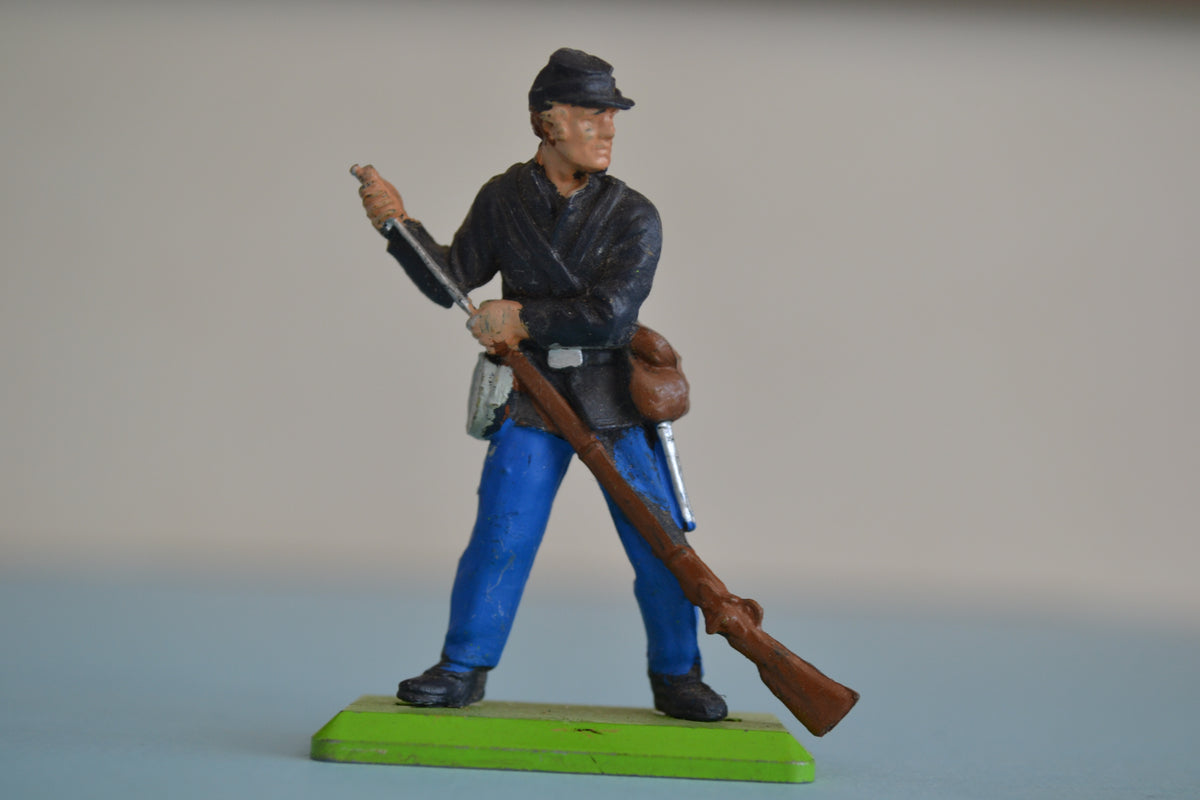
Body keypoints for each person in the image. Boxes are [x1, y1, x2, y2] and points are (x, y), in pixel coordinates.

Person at [357, 48, 726, 722]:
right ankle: (463, 666)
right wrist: (397, 224)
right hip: (533, 400)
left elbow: (612, 315)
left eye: (610, 116)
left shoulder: (633, 214)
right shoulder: (503, 199)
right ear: (547, 121)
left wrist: (522, 318)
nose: (607, 129)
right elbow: (451, 278)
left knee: (661, 546)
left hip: (612, 402)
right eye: (591, 116)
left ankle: (679, 673)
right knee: (502, 535)